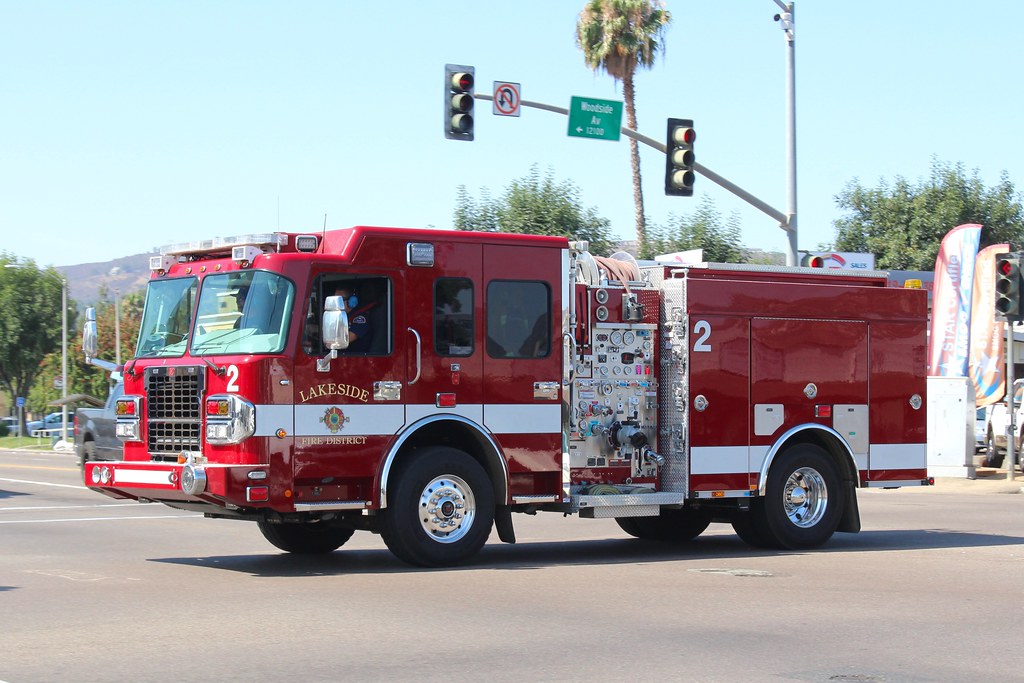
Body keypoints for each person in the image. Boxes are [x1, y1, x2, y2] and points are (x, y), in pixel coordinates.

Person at [333, 284, 375, 353]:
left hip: (356, 359)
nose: (336, 303)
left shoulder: (360, 318)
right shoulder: (341, 316)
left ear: (351, 301)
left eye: (340, 299)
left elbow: (344, 340)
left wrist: (324, 339)